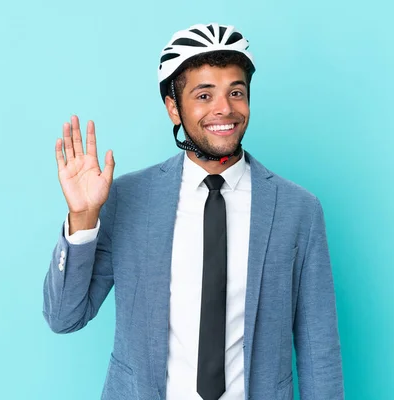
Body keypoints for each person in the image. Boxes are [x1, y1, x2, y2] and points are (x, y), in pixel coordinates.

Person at [43, 23, 344, 400]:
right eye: (204, 95)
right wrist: (84, 218)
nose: (225, 108)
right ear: (174, 108)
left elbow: (320, 353)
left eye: (236, 92)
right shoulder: (127, 199)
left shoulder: (298, 208)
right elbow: (64, 317)